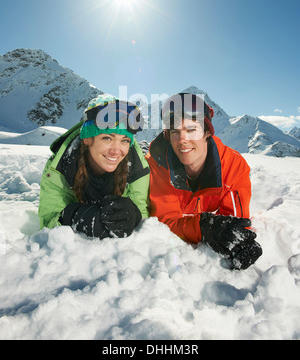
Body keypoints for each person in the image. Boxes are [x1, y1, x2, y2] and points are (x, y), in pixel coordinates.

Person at [146, 92, 262, 270]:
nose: (183, 140)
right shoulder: (157, 165)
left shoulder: (233, 167)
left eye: (191, 130)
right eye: (175, 132)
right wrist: (203, 227)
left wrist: (235, 238)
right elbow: (166, 222)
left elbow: (234, 223)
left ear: (207, 132)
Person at [39, 94, 150, 240]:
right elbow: (48, 222)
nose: (116, 151)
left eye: (124, 140)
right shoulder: (61, 166)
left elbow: (143, 214)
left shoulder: (137, 167)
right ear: (88, 138)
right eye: (107, 138)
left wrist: (135, 215)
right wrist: (77, 217)